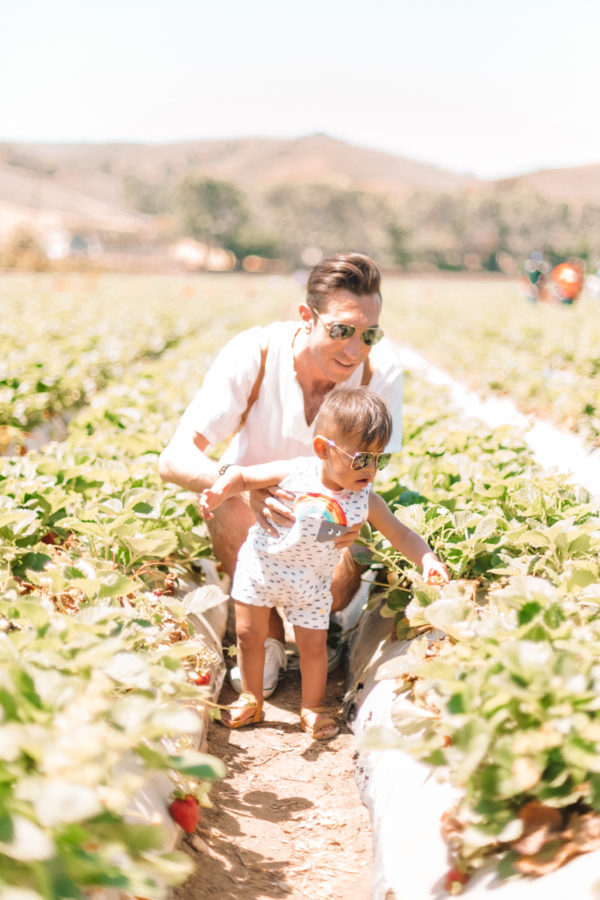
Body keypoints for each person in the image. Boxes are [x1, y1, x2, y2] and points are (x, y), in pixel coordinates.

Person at [158, 252, 404, 698]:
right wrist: (245, 482)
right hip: (258, 525)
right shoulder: (255, 352)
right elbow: (173, 459)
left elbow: (371, 476)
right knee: (230, 502)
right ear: (307, 317)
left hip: (325, 522)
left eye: (369, 334)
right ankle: (268, 637)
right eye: (341, 330)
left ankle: (323, 621)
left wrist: (347, 525)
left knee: (360, 534)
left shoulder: (380, 372)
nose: (355, 349)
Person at [199, 388, 449, 740]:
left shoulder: (366, 501)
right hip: (261, 568)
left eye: (381, 459)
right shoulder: (292, 473)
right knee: (248, 635)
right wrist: (221, 489)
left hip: (312, 582)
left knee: (312, 648)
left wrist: (427, 558)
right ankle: (251, 697)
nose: (372, 469)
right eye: (362, 459)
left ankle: (312, 707)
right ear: (322, 449)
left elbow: (402, 534)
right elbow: (242, 477)